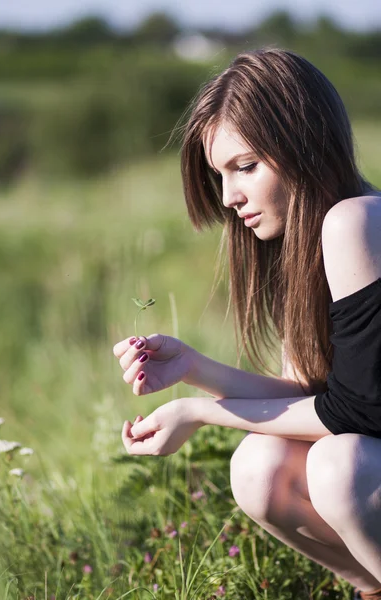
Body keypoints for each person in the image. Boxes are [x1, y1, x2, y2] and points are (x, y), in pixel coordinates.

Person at [113, 48, 381, 600]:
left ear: (302, 144)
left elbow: (355, 414)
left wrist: (198, 412)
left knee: (340, 464)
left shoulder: (357, 222)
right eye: (221, 175)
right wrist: (193, 368)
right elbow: (313, 397)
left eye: (247, 166)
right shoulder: (303, 243)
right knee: (260, 465)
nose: (231, 197)